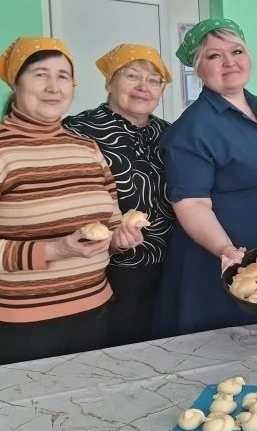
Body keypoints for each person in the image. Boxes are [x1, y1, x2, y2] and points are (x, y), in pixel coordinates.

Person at [0, 37, 143, 367]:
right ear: (16, 83)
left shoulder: (87, 149)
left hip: (94, 312)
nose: (54, 87)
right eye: (40, 74)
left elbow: (109, 225)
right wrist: (55, 250)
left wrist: (120, 239)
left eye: (63, 76)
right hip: (19, 324)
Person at [155, 19, 257, 335]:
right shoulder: (193, 129)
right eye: (214, 56)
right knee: (227, 354)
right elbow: (191, 205)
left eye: (236, 51)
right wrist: (225, 249)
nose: (229, 62)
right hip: (222, 263)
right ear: (198, 68)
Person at [62, 44, 174, 347]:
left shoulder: (170, 134)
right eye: (131, 75)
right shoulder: (78, 131)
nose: (143, 87)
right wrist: (110, 238)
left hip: (169, 265)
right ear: (110, 81)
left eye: (154, 80)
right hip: (106, 269)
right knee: (114, 354)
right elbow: (65, 200)